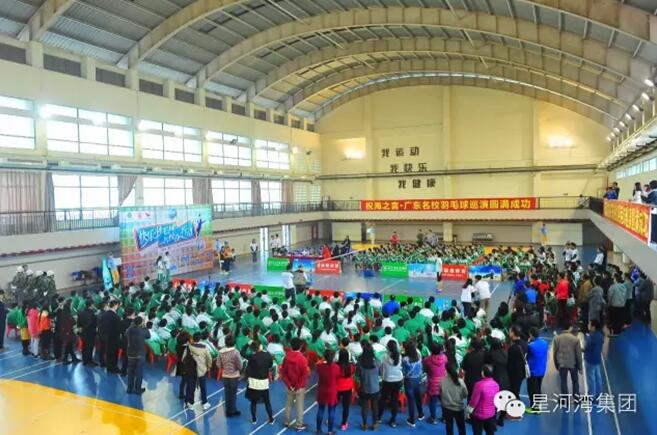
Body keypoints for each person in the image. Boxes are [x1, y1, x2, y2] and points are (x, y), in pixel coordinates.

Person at [281, 337, 309, 431]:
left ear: (291, 346)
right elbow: (304, 375)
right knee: (299, 406)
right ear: (300, 346)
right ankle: (298, 424)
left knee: (288, 404)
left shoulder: (286, 357)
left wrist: (289, 384)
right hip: (299, 387)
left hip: (289, 386)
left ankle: (286, 421)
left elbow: (283, 372)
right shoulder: (302, 359)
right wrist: (297, 386)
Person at [246, 340, 274, 424]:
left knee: (253, 402)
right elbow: (270, 365)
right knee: (267, 402)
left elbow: (242, 353)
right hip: (263, 383)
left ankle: (254, 419)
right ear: (260, 346)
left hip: (253, 383)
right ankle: (271, 419)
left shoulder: (252, 357)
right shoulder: (267, 355)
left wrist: (247, 344)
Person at [183, 332, 213, 410]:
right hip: (201, 370)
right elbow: (209, 359)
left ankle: (190, 403)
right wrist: (209, 366)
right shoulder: (205, 348)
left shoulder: (188, 347)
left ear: (193, 339)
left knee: (190, 387)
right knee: (203, 387)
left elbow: (183, 359)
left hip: (191, 370)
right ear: (200, 339)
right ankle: (205, 403)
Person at [378, 340, 403, 427]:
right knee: (394, 400)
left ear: (388, 348)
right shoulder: (399, 356)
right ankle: (393, 421)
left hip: (387, 380)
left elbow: (381, 368)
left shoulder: (384, 357)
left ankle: (379, 418)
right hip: (398, 380)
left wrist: (382, 376)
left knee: (383, 399)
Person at [467, 364, 499, 435]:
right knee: (490, 432)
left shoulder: (479, 385)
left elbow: (474, 401)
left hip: (479, 415)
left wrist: (468, 411)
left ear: (483, 373)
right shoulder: (496, 385)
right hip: (491, 414)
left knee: (477, 432)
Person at [553, 322, 583, 396]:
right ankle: (576, 397)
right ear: (570, 328)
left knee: (563, 382)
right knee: (575, 381)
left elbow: (555, 353)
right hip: (573, 364)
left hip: (562, 364)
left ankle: (565, 398)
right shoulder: (575, 339)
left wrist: (557, 365)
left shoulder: (557, 339)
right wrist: (580, 368)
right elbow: (578, 355)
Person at [356, 342, 380, 430]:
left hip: (364, 388)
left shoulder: (360, 363)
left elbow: (357, 375)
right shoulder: (377, 362)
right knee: (375, 406)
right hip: (375, 388)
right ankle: (375, 423)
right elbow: (380, 373)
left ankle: (365, 424)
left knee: (364, 407)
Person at [218, 334, 243, 417]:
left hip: (225, 375)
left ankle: (228, 410)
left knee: (227, 393)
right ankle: (232, 411)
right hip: (234, 376)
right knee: (233, 394)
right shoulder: (236, 352)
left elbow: (218, 364)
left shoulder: (221, 352)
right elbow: (240, 365)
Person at [315, 349, 340, 434]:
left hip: (322, 390)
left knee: (320, 409)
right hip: (332, 391)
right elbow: (337, 377)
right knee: (331, 411)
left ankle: (318, 430)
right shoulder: (336, 368)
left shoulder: (320, 367)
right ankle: (330, 431)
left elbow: (317, 365)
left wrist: (322, 360)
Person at [440, 363, 468, 435]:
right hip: (459, 408)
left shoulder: (442, 381)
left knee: (449, 426)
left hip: (446, 407)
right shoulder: (460, 381)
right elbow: (465, 395)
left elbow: (441, 394)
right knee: (461, 427)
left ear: (446, 371)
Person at [424, 342, 448, 424]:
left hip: (432, 383)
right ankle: (445, 418)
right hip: (443, 382)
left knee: (433, 401)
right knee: (444, 401)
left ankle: (433, 418)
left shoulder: (427, 359)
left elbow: (425, 370)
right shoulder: (444, 357)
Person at [126, 316, 150, 394]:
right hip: (140, 354)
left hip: (130, 353)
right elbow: (148, 336)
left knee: (130, 372)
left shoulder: (129, 330)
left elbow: (126, 334)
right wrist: (145, 327)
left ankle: (129, 388)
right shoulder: (142, 331)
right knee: (139, 372)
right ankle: (137, 389)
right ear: (141, 323)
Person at [402, 341, 424, 427]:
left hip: (409, 381)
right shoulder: (418, 357)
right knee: (418, 397)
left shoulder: (405, 359)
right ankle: (421, 414)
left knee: (411, 401)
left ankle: (412, 420)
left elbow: (403, 371)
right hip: (417, 380)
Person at [526, 327, 548, 410]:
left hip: (533, 371)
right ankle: (538, 405)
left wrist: (528, 342)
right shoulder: (545, 343)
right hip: (542, 370)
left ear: (531, 335)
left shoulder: (530, 346)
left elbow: (526, 356)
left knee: (531, 389)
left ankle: (533, 407)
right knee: (538, 388)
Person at [583, 319, 604, 399]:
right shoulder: (600, 335)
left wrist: (582, 349)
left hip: (590, 359)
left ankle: (592, 395)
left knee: (590, 377)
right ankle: (599, 393)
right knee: (598, 376)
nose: (588, 325)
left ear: (593, 327)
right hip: (597, 359)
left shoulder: (592, 336)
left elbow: (587, 347)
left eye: (589, 324)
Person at [99, 300, 121, 373]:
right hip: (114, 338)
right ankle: (113, 368)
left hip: (105, 336)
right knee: (114, 353)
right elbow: (118, 329)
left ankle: (109, 367)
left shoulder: (104, 314)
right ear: (115, 306)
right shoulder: (116, 317)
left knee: (108, 352)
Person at [507, 325, 528, 402]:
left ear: (513, 333)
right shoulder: (525, 344)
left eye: (510, 331)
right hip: (522, 370)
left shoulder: (513, 348)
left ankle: (515, 404)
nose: (509, 333)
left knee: (513, 390)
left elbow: (509, 362)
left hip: (514, 372)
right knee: (517, 389)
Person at [336, 348, 355, 430]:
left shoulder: (336, 366)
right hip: (348, 388)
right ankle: (343, 424)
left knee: (333, 405)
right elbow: (352, 373)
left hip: (337, 387)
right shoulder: (351, 366)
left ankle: (330, 419)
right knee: (346, 407)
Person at [77, 299, 97, 366]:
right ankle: (89, 361)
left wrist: (82, 329)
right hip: (90, 332)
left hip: (83, 332)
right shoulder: (92, 313)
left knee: (84, 346)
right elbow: (93, 323)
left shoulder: (81, 312)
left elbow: (78, 323)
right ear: (91, 305)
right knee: (90, 347)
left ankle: (85, 360)